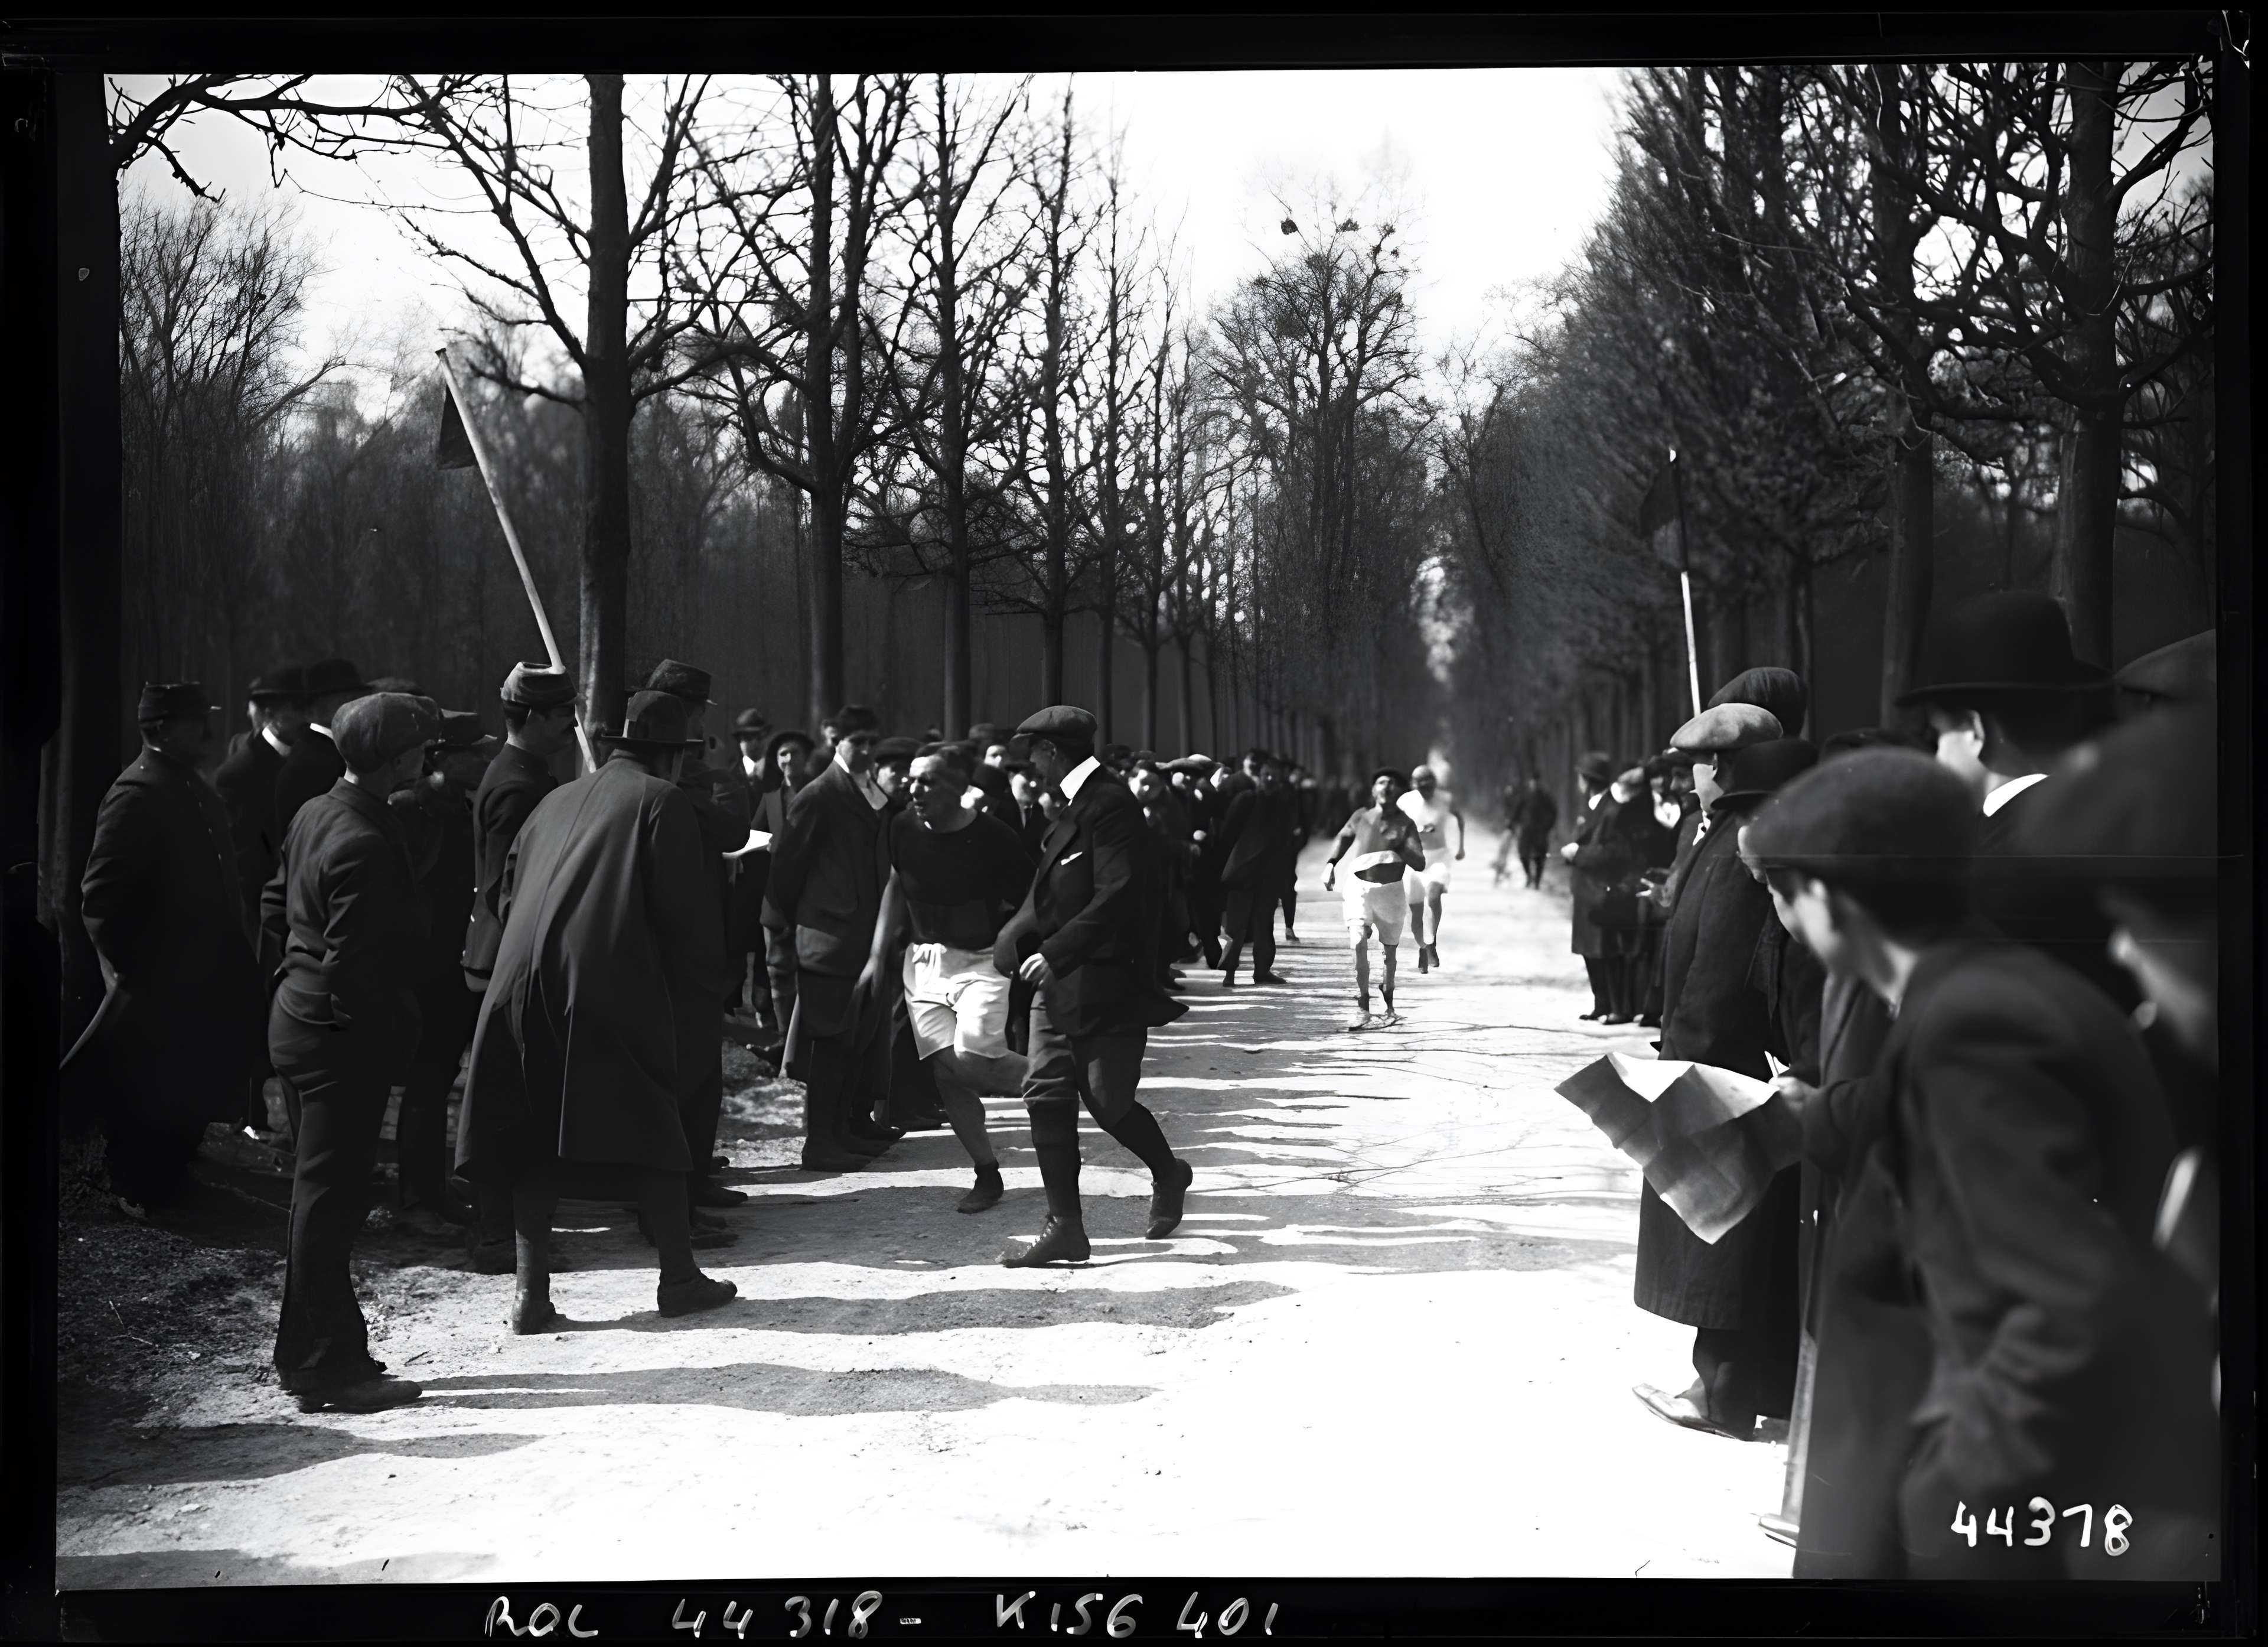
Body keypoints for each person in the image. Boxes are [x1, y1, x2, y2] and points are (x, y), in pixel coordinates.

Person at [1747, 748, 2214, 1578]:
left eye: (1789, 891)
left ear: (1830, 897)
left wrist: (1951, 1491)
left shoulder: (1977, 1027)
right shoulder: (1982, 994)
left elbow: (2064, 1303)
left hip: (1977, 1523)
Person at [456, 690, 742, 1333]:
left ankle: (531, 1296)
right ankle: (679, 1275)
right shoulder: (661, 801)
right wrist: (698, 995)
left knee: (533, 1127)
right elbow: (683, 917)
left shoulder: (554, 798)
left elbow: (504, 893)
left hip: (516, 980)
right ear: (671, 755)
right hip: (606, 978)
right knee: (655, 1113)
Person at [1631, 701, 1821, 1443]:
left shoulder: (1742, 843)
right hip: (1723, 1053)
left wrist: (1686, 1051)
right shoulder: (1722, 838)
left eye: (1700, 766)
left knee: (1726, 1235)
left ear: (1726, 770)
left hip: (1723, 1059)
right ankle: (1751, 1384)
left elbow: (1723, 966)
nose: (1691, 780)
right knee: (1742, 1232)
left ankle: (1723, 1391)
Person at [263, 691, 440, 1412]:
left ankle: (309, 1354)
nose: (428, 757)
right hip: (337, 1035)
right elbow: (357, 967)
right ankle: (328, 1366)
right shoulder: (365, 839)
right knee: (330, 1202)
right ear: (398, 759)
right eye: (421, 749)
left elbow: (275, 906)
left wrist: (295, 981)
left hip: (299, 1018)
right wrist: (392, 1025)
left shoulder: (317, 810)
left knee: (318, 1198)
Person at [992, 707, 1194, 1267]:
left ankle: (1169, 1172)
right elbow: (1053, 891)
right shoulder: (1071, 808)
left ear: (1053, 752)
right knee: (1046, 1092)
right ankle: (1065, 1227)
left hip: (1106, 980)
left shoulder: (1110, 806)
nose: (1028, 763)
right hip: (1060, 985)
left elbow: (1118, 894)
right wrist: (1018, 933)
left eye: (1032, 751)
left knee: (1109, 1104)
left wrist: (1055, 953)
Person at [61, 683, 263, 1216]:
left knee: (189, 1090)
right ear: (162, 729)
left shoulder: (185, 785)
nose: (208, 730)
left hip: (200, 979)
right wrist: (134, 973)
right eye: (196, 721)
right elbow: (100, 899)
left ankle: (172, 1185)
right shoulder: (138, 793)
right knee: (150, 1097)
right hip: (162, 984)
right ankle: (139, 1192)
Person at [1894, 590, 2131, 1007]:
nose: (1935, 758)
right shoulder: (2114, 817)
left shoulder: (1992, 871)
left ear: (1975, 730)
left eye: (1937, 737)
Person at [860, 744, 1035, 1212]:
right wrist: (879, 955)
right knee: (946, 1073)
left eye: (928, 781)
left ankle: (1059, 1078)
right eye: (912, 780)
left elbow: (1038, 896)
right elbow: (897, 883)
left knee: (974, 1057)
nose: (914, 789)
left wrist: (1010, 936)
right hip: (925, 963)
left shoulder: (993, 836)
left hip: (982, 960)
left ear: (959, 788)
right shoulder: (901, 826)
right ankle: (987, 1173)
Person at [460, 660, 579, 1273]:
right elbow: (511, 889)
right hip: (508, 959)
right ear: (533, 717)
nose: (572, 726)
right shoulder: (517, 786)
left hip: (508, 956)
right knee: (506, 1101)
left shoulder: (527, 773)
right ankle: (493, 1234)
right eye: (564, 716)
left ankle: (506, 1228)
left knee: (515, 1097)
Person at [764, 705, 898, 1171]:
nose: (864, 751)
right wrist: (796, 923)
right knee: (829, 1042)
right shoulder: (819, 795)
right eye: (854, 742)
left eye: (869, 742)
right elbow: (786, 867)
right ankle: (820, 1141)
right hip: (828, 939)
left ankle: (844, 1129)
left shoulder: (869, 791)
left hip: (861, 938)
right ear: (836, 741)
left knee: (857, 1039)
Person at [642, 659, 752, 1218]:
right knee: (677, 1075)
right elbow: (725, 826)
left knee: (702, 1071)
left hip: (702, 935)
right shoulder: (666, 778)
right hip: (669, 941)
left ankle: (695, 1178)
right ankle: (670, 1201)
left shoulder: (693, 768)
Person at [386, 711, 496, 1236]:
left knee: (439, 1081)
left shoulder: (464, 810)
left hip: (453, 971)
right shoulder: (408, 811)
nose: (483, 759)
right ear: (441, 757)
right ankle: (416, 1204)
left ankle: (434, 1190)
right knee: (424, 1086)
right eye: (473, 751)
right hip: (419, 972)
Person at [213, 665, 309, 1136]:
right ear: (270, 713)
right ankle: (248, 1112)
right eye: (297, 709)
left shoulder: (306, 761)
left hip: (297, 904)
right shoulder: (241, 772)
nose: (306, 717)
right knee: (254, 1006)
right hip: (260, 910)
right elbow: (240, 856)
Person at [1324, 767, 1428, 1030]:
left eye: (1392, 783)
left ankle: (1389, 998)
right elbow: (1344, 836)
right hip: (1359, 888)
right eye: (1381, 782)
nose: (1386, 787)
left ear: (1399, 792)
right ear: (1373, 790)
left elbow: (1420, 863)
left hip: (1390, 893)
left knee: (1389, 954)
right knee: (1357, 941)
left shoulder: (1405, 824)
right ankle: (1362, 1005)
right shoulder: (1361, 816)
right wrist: (1330, 864)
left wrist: (1401, 844)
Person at [1216, 751, 1299, 988]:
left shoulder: (1284, 804)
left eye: (1275, 776)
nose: (1270, 780)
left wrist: (1286, 875)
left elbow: (1288, 842)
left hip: (1270, 874)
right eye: (1266, 775)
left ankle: (1262, 971)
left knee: (1265, 925)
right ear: (1260, 777)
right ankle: (1229, 973)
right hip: (1243, 872)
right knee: (1236, 926)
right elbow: (1227, 836)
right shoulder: (1246, 800)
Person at [271, 658, 371, 835]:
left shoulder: (337, 750)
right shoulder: (311, 763)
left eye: (357, 697)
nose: (358, 706)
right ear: (314, 709)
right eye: (346, 699)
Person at [1563, 752, 1617, 1018]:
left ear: (1588, 780)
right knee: (1589, 950)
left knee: (1600, 950)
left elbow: (1612, 852)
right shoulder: (1594, 806)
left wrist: (1577, 854)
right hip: (1586, 888)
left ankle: (1610, 1005)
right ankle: (1601, 1005)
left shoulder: (1610, 809)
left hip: (1599, 888)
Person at [1397, 764, 1465, 973]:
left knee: (1434, 896)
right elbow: (1395, 825)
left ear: (1435, 785)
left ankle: (1432, 942)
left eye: (1430, 787)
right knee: (1416, 910)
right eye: (1422, 788)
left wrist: (1461, 846)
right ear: (1414, 785)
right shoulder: (1406, 801)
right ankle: (1423, 947)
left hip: (1439, 857)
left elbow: (1459, 818)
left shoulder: (1446, 799)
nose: (1427, 792)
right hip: (1414, 859)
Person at [1510, 776, 1557, 891]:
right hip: (1526, 830)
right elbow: (1517, 810)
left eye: (1535, 781)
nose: (1533, 784)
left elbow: (1553, 813)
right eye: (1532, 781)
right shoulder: (1525, 796)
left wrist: (1547, 827)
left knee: (1540, 857)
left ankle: (1537, 881)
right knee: (1523, 854)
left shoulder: (1545, 797)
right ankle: (1529, 876)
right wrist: (1512, 824)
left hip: (1540, 830)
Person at [1006, 761, 1050, 857]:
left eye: (1040, 778)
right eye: (1028, 776)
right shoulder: (997, 811)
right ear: (1011, 778)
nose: (1035, 784)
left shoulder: (1046, 816)